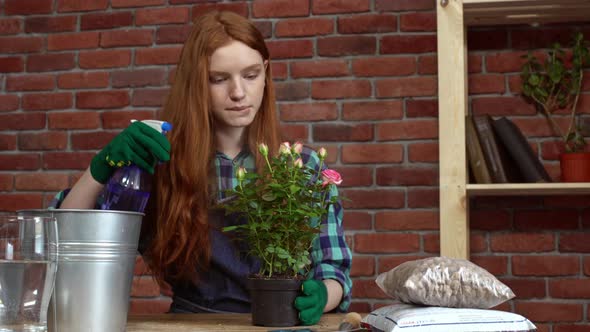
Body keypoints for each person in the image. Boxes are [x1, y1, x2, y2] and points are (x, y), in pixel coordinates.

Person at [57, 10, 352, 325]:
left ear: (266, 72)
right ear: (196, 83)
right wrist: (101, 169)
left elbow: (334, 270)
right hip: (191, 325)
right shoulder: (161, 162)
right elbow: (66, 239)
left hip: (277, 322)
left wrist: (320, 295)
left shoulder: (301, 166)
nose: (238, 92)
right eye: (219, 78)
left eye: (251, 75)